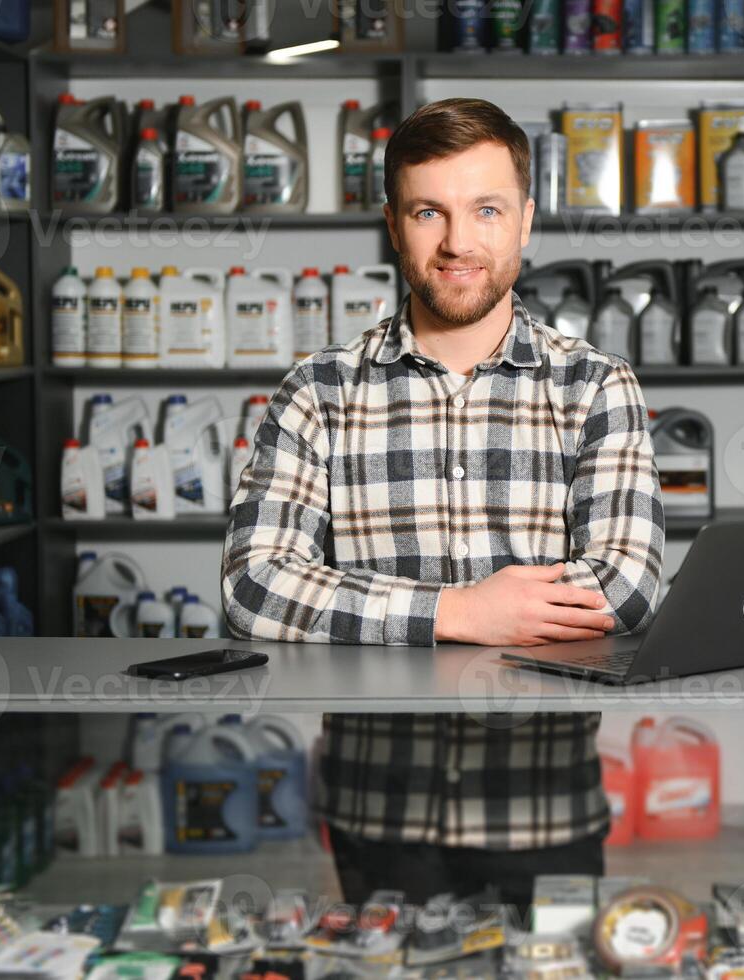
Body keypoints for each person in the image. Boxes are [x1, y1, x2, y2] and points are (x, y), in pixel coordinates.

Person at [221, 97, 665, 914]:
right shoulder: (320, 391)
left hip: (544, 808)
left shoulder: (594, 384)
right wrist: (458, 611)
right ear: (394, 224)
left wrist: (397, 608)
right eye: (430, 212)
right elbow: (254, 588)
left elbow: (626, 586)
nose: (459, 242)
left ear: (525, 220)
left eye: (486, 210)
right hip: (380, 811)